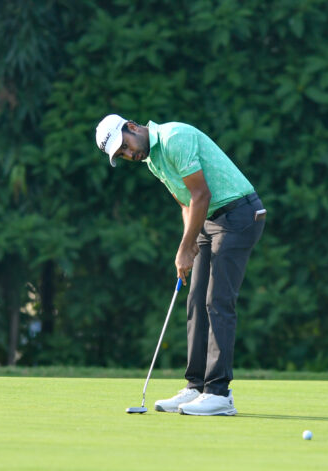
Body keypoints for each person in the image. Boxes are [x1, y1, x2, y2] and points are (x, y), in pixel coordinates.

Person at [95, 114, 266, 416]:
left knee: (218, 302)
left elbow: (201, 194)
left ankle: (219, 393)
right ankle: (196, 387)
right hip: (209, 218)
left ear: (132, 127)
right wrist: (185, 247)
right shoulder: (153, 161)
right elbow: (187, 203)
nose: (129, 155)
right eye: (121, 155)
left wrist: (186, 247)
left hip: (239, 214)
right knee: (196, 300)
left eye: (125, 146)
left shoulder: (174, 139)